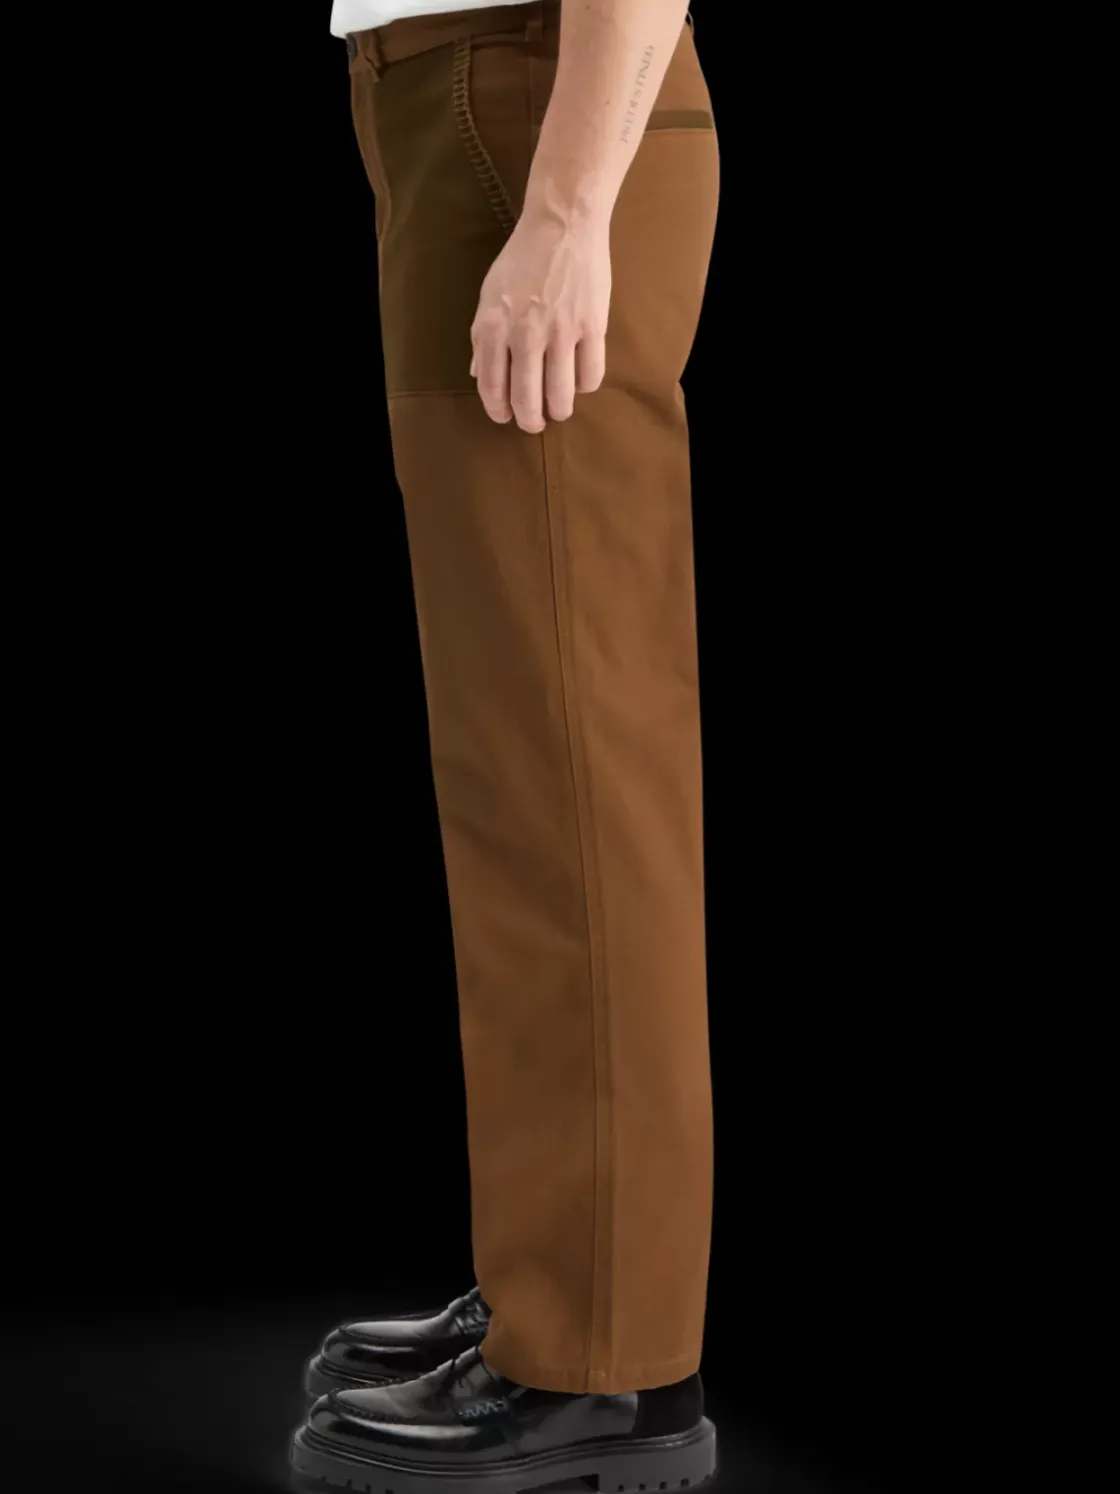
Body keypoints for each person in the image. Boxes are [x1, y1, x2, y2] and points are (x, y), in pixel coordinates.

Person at [290, 1, 721, 1489]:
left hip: (534, 99)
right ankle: (557, 1276)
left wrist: (566, 205)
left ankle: (605, 1361)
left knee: (576, 786)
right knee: (523, 773)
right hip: (461, 105)